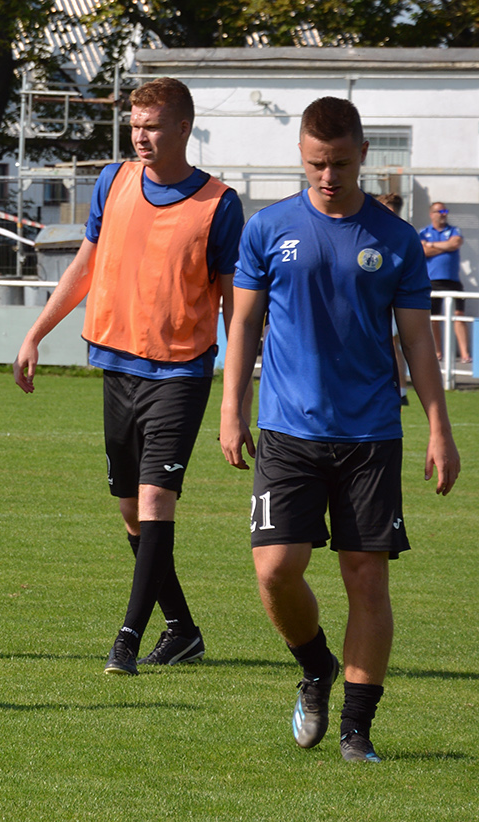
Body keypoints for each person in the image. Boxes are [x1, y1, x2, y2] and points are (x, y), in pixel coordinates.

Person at [220, 96, 460, 763]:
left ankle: (357, 729)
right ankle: (314, 664)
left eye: (341, 164)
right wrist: (231, 405)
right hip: (287, 431)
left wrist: (439, 429)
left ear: (362, 156)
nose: (328, 176)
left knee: (365, 578)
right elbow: (243, 323)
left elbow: (417, 342)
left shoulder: (395, 239)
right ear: (302, 156)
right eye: (316, 164)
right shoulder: (267, 229)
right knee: (275, 569)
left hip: (371, 435)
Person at [13, 77, 244, 675]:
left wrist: (235, 397)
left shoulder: (219, 204)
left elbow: (233, 307)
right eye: (135, 125)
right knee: (131, 511)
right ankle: (183, 630)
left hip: (180, 372)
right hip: (116, 367)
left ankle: (127, 639)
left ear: (183, 129)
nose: (141, 136)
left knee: (155, 500)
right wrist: (36, 332)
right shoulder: (112, 181)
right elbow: (87, 264)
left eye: (153, 126)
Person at [420, 201, 469, 363]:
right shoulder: (424, 232)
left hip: (453, 281)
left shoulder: (454, 230)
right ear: (431, 214)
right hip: (433, 281)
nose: (443, 214)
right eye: (440, 212)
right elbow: (423, 251)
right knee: (434, 318)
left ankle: (465, 354)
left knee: (459, 315)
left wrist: (432, 245)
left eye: (445, 211)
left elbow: (455, 243)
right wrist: (444, 246)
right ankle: (437, 352)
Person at [376, 194, 410, 404]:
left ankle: (401, 389)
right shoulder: (373, 232)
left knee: (394, 343)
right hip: (376, 299)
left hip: (391, 300)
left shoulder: (399, 234)